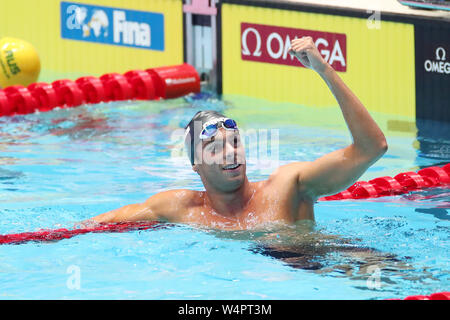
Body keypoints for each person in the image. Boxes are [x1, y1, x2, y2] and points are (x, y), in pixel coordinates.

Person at [88, 37, 387, 230]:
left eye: (234, 143)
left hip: (342, 268)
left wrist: (324, 71)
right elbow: (97, 224)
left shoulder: (288, 187)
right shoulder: (180, 208)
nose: (230, 153)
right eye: (215, 148)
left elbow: (372, 147)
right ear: (195, 164)